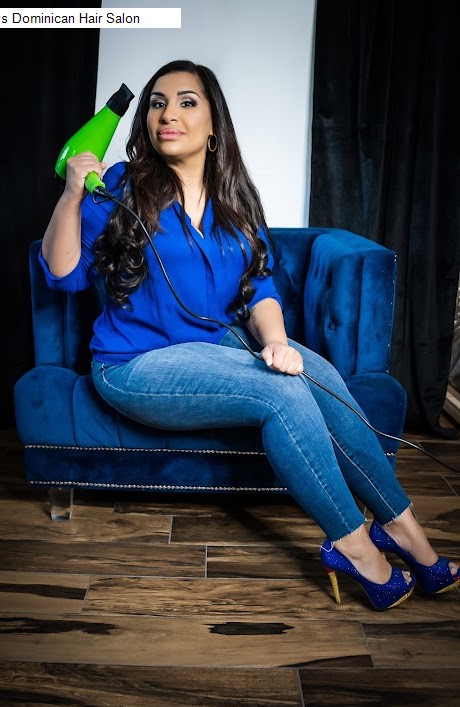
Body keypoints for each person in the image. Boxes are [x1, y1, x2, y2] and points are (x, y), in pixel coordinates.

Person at [41, 59, 459, 609]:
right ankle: (354, 547)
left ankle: (406, 534)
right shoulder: (121, 186)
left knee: (317, 375)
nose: (168, 114)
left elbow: (259, 286)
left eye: (187, 102)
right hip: (135, 362)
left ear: (214, 123)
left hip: (216, 344)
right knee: (280, 393)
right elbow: (63, 273)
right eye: (157, 103)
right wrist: (71, 195)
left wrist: (277, 341)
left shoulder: (233, 199)